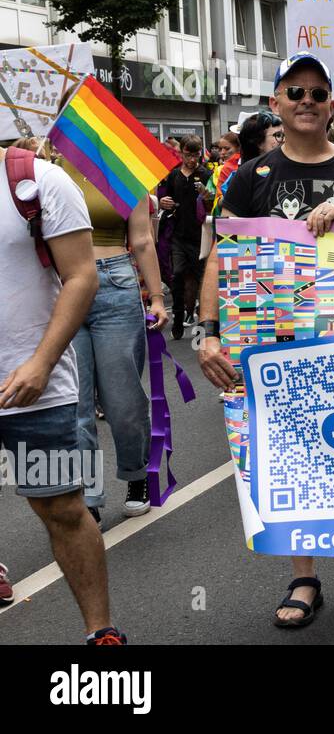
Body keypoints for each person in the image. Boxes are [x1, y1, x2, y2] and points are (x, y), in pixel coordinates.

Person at [195, 52, 334, 628]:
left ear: (330, 106)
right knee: (293, 456)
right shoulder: (253, 176)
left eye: (317, 93)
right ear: (276, 103)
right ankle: (303, 577)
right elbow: (222, 254)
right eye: (294, 93)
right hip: (278, 345)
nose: (306, 102)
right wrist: (208, 332)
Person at [1, 143, 125, 643]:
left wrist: (41, 363)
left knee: (63, 509)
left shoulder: (38, 180)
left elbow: (81, 276)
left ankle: (101, 632)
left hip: (34, 388)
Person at [59, 158, 170, 525]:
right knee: (75, 406)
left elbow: (141, 239)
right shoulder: (47, 168)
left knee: (123, 403)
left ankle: (136, 475)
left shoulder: (125, 169)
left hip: (115, 285)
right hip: (62, 288)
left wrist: (156, 297)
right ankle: (88, 493)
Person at [156, 136, 212, 340]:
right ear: (181, 153)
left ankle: (204, 324)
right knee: (178, 275)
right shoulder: (173, 176)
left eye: (196, 155)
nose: (191, 159)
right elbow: (164, 200)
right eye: (188, 155)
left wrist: (208, 198)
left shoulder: (206, 174)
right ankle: (178, 320)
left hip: (200, 237)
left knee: (202, 282)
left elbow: (213, 206)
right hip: (178, 236)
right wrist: (164, 202)